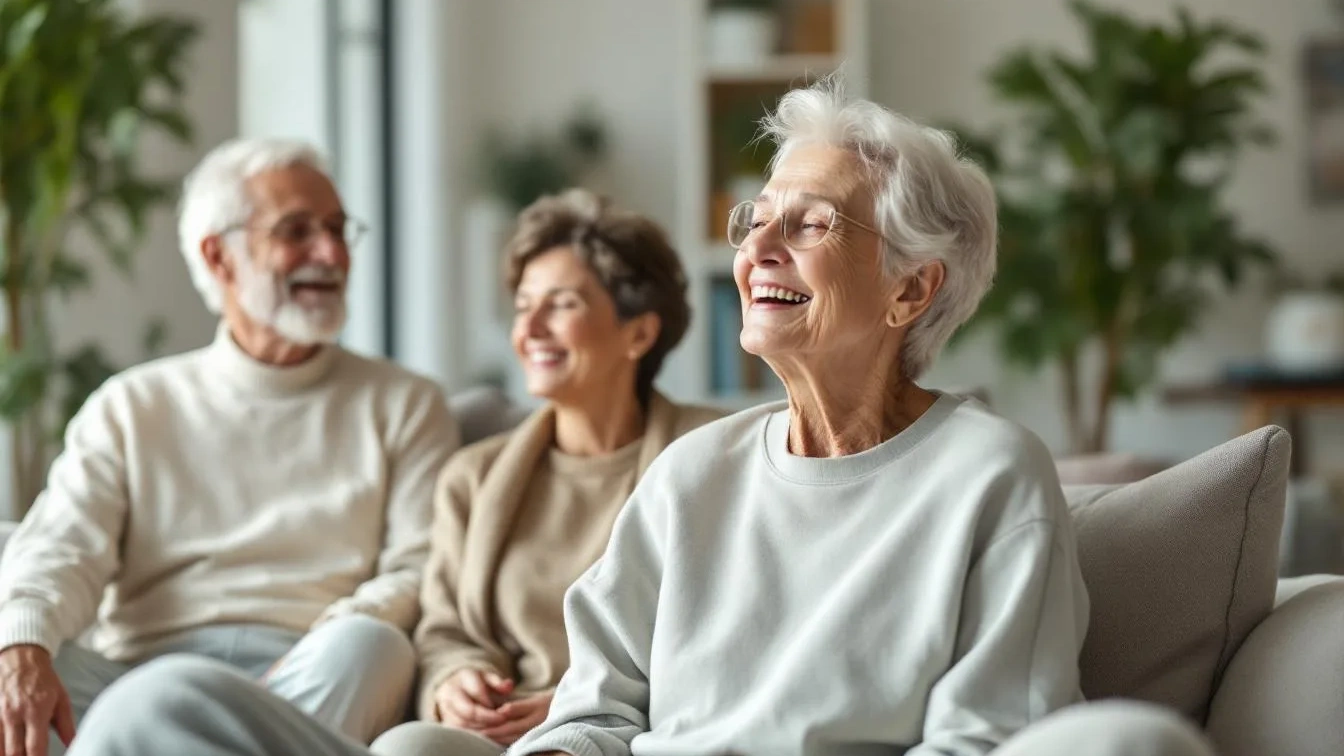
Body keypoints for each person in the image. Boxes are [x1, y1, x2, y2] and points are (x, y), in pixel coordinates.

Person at [60, 81, 1216, 756]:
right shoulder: (698, 475)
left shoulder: (987, 475)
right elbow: (590, 712)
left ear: (915, 287)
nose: (756, 245)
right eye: (754, 218)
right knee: (170, 706)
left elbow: (984, 739)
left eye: (808, 224)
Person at [0, 138, 459, 756]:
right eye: (297, 231)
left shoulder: (405, 403)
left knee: (371, 646)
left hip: (306, 676)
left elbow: (420, 567)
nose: (331, 254)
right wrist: (21, 644)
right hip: (135, 673)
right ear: (219, 257)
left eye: (337, 229)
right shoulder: (132, 405)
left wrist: (327, 633)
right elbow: (61, 545)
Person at [393, 189, 723, 751]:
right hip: (497, 734)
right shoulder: (472, 477)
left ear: (639, 333)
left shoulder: (714, 454)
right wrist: (455, 679)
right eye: (523, 306)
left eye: (562, 304)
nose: (531, 328)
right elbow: (445, 630)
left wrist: (587, 699)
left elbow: (727, 632)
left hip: (634, 729)